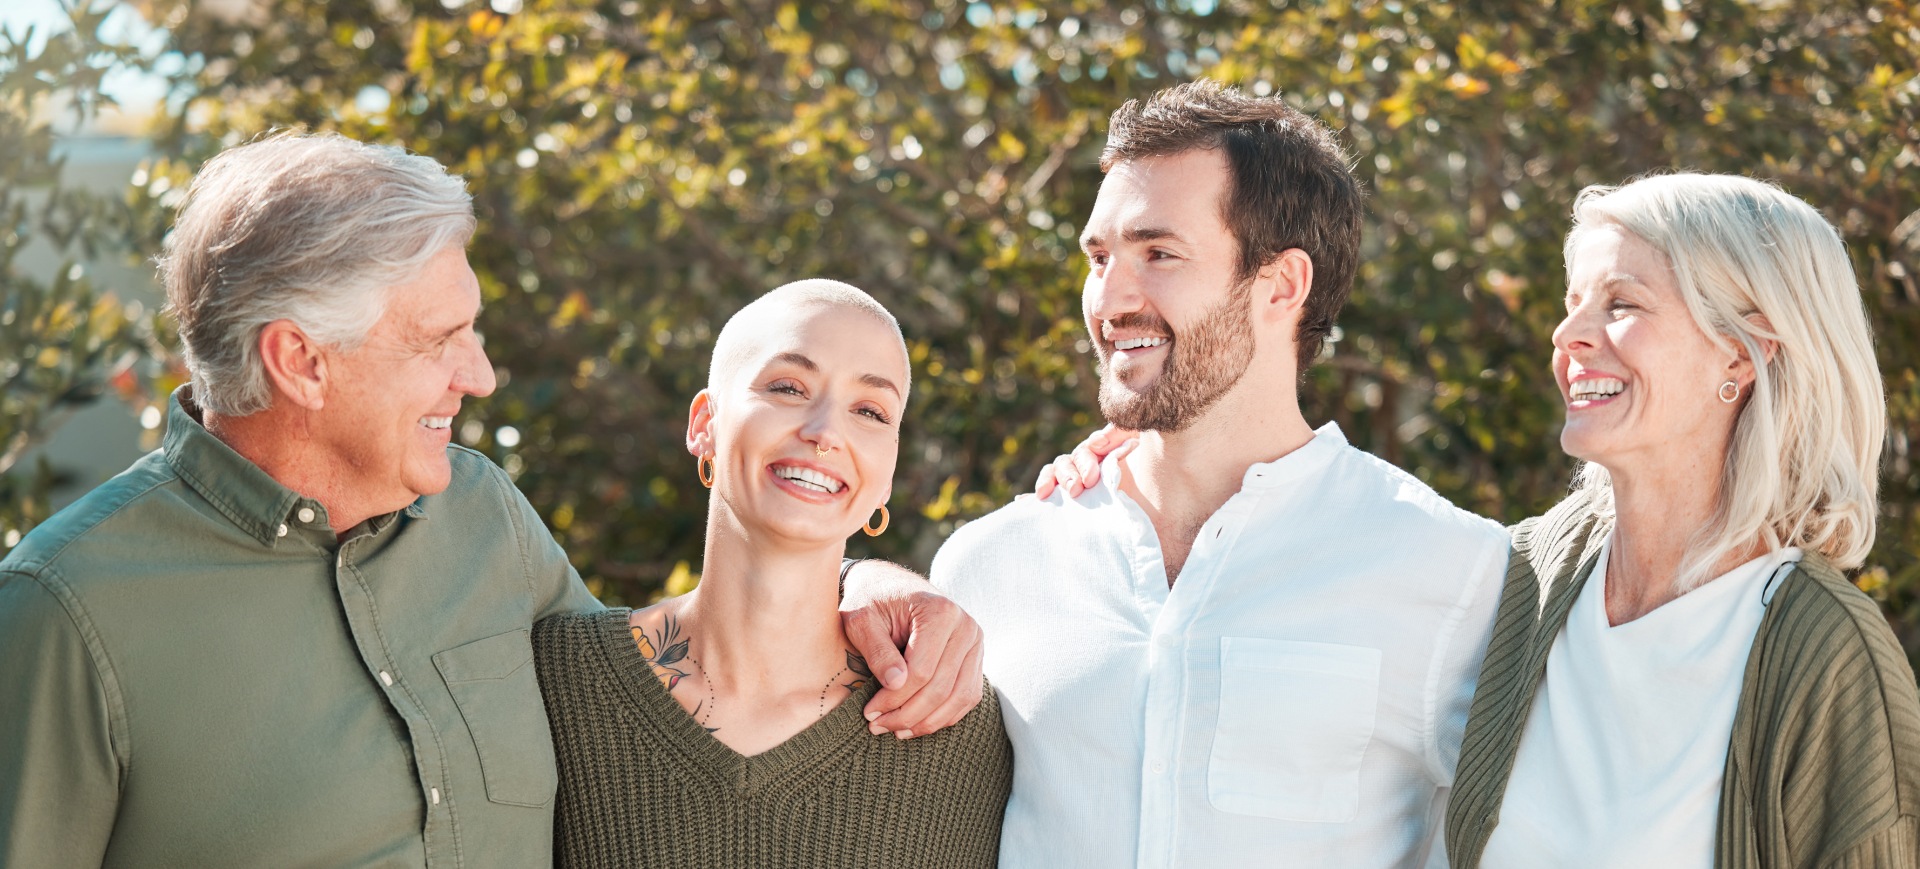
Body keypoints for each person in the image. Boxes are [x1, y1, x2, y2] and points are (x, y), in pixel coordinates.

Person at [0, 134, 981, 867]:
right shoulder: (67, 610)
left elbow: (662, 685)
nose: (481, 373)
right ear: (301, 361)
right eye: (440, 340)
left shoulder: (479, 514)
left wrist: (869, 584)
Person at [932, 80, 1509, 868]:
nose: (1109, 298)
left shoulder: (1450, 568)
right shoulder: (992, 563)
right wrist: (861, 582)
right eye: (1100, 257)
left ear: (1280, 286)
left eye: (1158, 253)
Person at [1442, 174, 1920, 867]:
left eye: (1620, 304)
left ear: (1741, 351)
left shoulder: (1829, 656)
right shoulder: (1522, 579)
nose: (1567, 335)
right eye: (1573, 303)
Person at [533, 279, 1012, 868]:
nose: (825, 432)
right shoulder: (557, 678)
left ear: (888, 473)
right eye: (788, 387)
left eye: (869, 410)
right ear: (704, 423)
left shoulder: (963, 731)